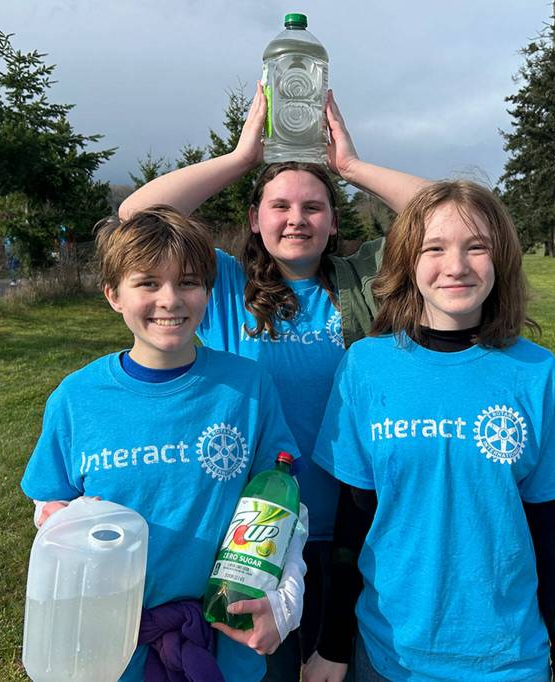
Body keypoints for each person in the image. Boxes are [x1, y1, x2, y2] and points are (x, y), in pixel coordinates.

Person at [119, 85, 429, 681]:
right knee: (270, 672)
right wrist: (242, 159)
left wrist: (350, 166)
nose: (296, 219)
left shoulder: (366, 281)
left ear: (332, 222)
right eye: (279, 206)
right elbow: (138, 218)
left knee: (340, 667)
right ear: (255, 220)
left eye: (313, 207)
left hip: (356, 525)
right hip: (254, 537)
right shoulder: (223, 285)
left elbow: (448, 214)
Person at [303, 181, 555, 681]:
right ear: (406, 262)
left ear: (501, 258)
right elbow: (354, 519)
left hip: (507, 660)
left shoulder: (537, 373)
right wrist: (332, 644)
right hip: (389, 656)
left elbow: (549, 528)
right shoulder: (366, 367)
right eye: (433, 248)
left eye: (476, 247)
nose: (455, 266)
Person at [20, 206, 308, 682]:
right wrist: (59, 517)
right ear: (114, 295)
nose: (170, 299)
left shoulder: (247, 388)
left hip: (222, 634)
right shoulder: (77, 398)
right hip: (111, 646)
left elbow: (283, 504)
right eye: (148, 283)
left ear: (208, 292)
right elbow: (49, 502)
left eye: (188, 282)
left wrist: (287, 598)